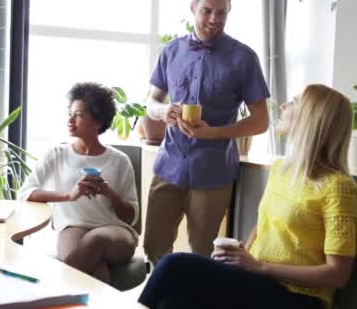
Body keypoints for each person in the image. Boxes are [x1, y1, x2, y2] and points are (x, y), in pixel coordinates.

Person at [138, 84, 357, 309]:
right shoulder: (282, 169)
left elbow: (337, 274)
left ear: (312, 118)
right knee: (172, 304)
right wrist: (239, 255)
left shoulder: (338, 188)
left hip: (299, 298)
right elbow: (263, 226)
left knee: (174, 264)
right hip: (260, 282)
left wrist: (260, 267)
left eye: (293, 101)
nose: (283, 105)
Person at [143, 0, 270, 264]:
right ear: (192, 8)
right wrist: (164, 111)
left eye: (221, 12)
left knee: (201, 256)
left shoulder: (244, 58)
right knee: (153, 247)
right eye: (206, 11)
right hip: (168, 165)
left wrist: (213, 133)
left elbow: (261, 121)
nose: (214, 19)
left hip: (213, 172)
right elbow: (150, 103)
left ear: (229, 10)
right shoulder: (171, 51)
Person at [18, 82, 139, 283]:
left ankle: (46, 290)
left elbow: (130, 216)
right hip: (72, 229)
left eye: (79, 115)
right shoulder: (57, 154)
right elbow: (26, 192)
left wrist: (108, 191)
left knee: (96, 239)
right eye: (70, 113)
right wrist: (68, 195)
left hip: (115, 232)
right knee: (96, 269)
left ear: (98, 122)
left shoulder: (119, 160)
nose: (70, 119)